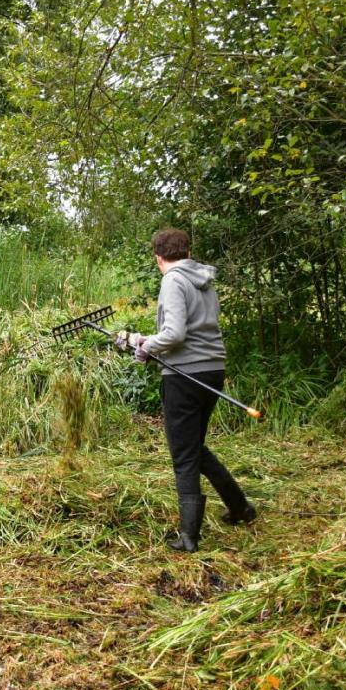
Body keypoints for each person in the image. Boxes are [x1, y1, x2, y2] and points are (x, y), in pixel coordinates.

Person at [120, 229, 256, 552]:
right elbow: (191, 330)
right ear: (187, 251)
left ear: (158, 258)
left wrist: (145, 345)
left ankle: (189, 537)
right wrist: (146, 343)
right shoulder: (202, 279)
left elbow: (176, 333)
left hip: (186, 377)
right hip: (213, 371)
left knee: (183, 455)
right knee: (194, 447)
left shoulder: (172, 280)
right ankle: (240, 507)